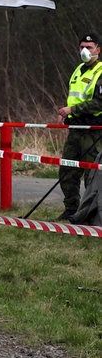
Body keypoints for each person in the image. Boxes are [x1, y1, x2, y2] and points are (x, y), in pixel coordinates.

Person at [57, 33, 102, 221]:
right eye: (82, 46)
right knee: (67, 170)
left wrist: (72, 109)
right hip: (76, 129)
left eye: (89, 47)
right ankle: (71, 210)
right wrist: (67, 115)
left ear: (98, 50)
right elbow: (75, 96)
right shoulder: (78, 71)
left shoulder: (100, 71)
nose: (85, 50)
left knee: (92, 176)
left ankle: (90, 214)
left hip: (93, 132)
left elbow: (99, 103)